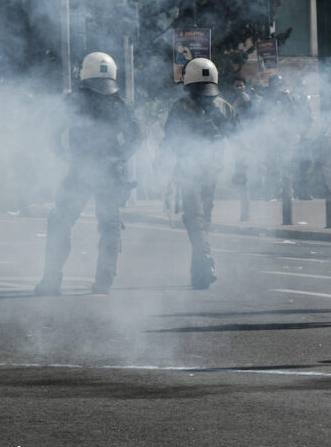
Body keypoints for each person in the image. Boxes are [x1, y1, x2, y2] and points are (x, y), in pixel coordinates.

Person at [35, 52, 142, 296]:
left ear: (86, 72)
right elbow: (137, 136)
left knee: (60, 221)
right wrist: (121, 157)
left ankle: (51, 281)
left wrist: (62, 154)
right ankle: (104, 282)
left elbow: (52, 132)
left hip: (80, 170)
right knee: (110, 225)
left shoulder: (74, 101)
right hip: (110, 172)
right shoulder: (121, 102)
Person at [160, 58, 243, 289]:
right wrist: (241, 170)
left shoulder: (181, 106)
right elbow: (240, 141)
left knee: (195, 218)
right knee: (202, 218)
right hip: (212, 169)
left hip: (189, 169)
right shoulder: (224, 106)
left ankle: (205, 262)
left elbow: (171, 138)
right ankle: (199, 275)